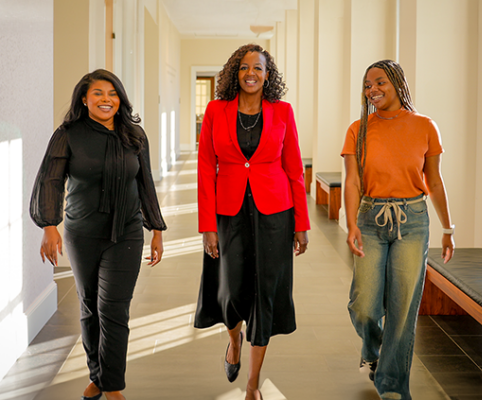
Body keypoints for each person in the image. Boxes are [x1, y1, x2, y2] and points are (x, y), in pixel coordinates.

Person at [30, 69, 167, 400]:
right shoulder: (68, 134)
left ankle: (113, 384)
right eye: (98, 94)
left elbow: (145, 182)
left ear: (120, 99)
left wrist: (156, 229)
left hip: (127, 232)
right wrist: (50, 226)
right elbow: (51, 179)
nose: (106, 100)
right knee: (90, 306)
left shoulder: (134, 135)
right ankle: (97, 375)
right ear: (84, 99)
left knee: (114, 309)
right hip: (82, 233)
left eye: (113, 94)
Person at [194, 43, 310, 400]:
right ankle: (233, 342)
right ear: (235, 72)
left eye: (258, 68)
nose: (251, 74)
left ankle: (253, 383)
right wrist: (207, 226)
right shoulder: (216, 110)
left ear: (267, 75)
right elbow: (204, 168)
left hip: (275, 212)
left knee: (264, 293)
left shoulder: (283, 112)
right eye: (244, 67)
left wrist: (302, 223)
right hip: (228, 212)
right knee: (230, 290)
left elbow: (294, 168)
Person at [341, 59, 455, 400]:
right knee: (364, 306)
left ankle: (391, 385)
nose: (372, 90)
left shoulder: (424, 126)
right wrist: (350, 225)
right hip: (370, 219)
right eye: (367, 85)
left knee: (402, 307)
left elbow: (434, 181)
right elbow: (351, 182)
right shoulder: (358, 129)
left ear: (398, 83)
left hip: (414, 219)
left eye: (380, 82)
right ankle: (374, 350)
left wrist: (448, 228)